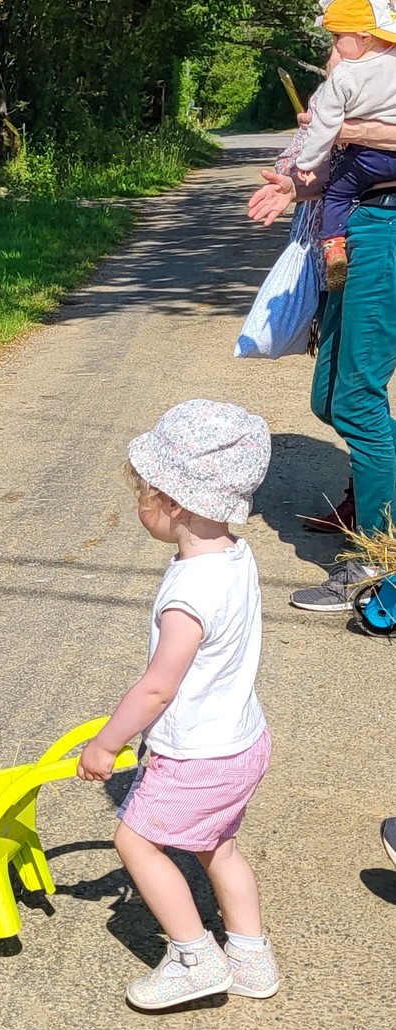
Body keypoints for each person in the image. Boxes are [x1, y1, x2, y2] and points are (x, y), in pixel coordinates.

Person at [78, 401, 278, 1011]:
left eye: (143, 490)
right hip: (242, 741)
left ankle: (194, 956)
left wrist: (107, 744)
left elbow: (158, 687)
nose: (138, 502)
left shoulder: (189, 593)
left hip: (197, 754)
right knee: (218, 845)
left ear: (177, 502)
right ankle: (250, 956)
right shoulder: (233, 557)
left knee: (135, 843)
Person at [249, 94, 396, 612]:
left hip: (387, 231)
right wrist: (296, 186)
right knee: (330, 397)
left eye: (339, 35)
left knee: (357, 400)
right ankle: (383, 498)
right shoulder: (364, 83)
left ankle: (375, 564)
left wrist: (343, 125)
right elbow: (347, 170)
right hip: (360, 229)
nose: (331, 49)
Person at [294, 0, 396, 288]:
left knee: (337, 194)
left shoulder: (345, 74)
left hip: (366, 159)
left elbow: (325, 126)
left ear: (364, 37)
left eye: (338, 37)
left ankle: (334, 245)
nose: (335, 46)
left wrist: (307, 162)